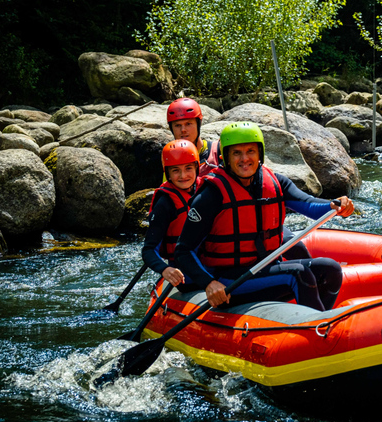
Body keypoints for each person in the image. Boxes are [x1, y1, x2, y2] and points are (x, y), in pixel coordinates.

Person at [173, 121, 354, 311]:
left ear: (260, 153)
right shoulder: (211, 195)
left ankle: (316, 323)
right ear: (225, 157)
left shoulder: (275, 182)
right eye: (236, 153)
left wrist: (335, 205)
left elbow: (310, 205)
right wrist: (209, 283)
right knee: (298, 274)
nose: (244, 159)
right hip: (229, 281)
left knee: (330, 269)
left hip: (265, 268)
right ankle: (319, 328)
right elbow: (183, 251)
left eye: (250, 151)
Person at [167, 97, 310, 260]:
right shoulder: (170, 161)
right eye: (178, 126)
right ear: (171, 128)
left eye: (188, 124)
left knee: (293, 244)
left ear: (198, 124)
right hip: (203, 227)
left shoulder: (220, 150)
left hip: (240, 218)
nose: (183, 130)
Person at [141, 139, 202, 287]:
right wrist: (165, 269)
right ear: (167, 173)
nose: (183, 176)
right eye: (176, 170)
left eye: (188, 168)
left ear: (197, 168)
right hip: (184, 271)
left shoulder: (207, 191)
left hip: (212, 263)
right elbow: (149, 249)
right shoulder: (165, 203)